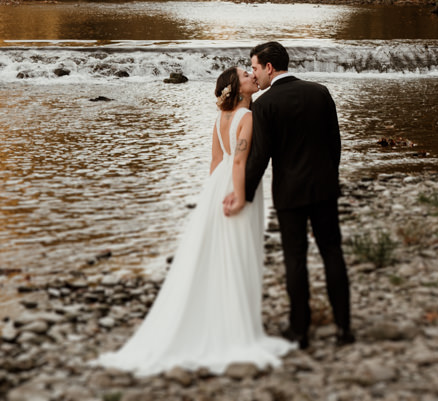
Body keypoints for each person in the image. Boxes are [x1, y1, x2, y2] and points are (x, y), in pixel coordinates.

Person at [94, 67, 294, 376]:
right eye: (245, 74)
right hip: (236, 186)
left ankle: (218, 318)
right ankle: (235, 326)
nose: (252, 75)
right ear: (236, 88)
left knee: (217, 253)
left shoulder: (219, 120)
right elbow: (239, 161)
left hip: (217, 187)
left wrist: (211, 197)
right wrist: (240, 195)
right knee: (239, 252)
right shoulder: (247, 117)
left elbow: (216, 162)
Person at [225, 40, 352, 349]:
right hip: (324, 187)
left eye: (255, 68)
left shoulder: (265, 106)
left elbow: (259, 158)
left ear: (269, 67)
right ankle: (344, 329)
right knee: (332, 253)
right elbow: (335, 144)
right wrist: (329, 178)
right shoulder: (319, 92)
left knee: (295, 260)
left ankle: (300, 330)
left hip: (290, 193)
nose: (254, 75)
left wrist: (243, 195)